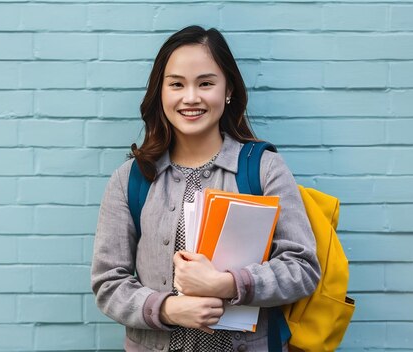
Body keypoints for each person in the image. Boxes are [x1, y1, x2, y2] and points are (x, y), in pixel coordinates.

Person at [91, 25, 320, 352]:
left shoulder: (264, 169)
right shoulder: (130, 179)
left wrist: (226, 284)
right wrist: (168, 309)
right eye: (176, 85)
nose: (191, 97)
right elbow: (108, 284)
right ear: (161, 93)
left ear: (228, 91)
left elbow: (303, 268)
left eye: (206, 83)